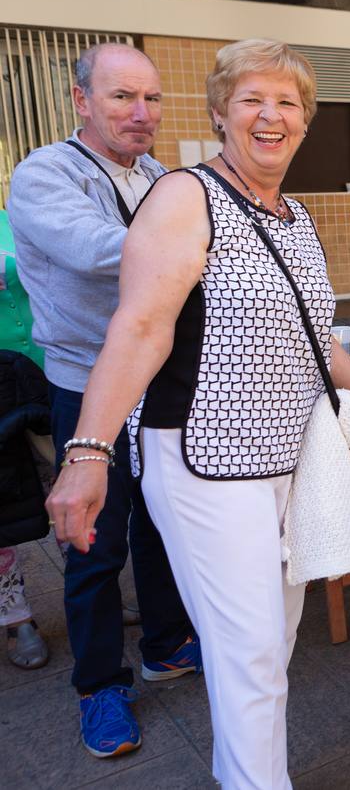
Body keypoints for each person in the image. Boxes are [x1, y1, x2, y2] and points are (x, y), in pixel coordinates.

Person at [44, 39, 350, 788]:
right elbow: (138, 326)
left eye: (287, 102)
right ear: (220, 114)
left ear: (306, 121)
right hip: (203, 460)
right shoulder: (184, 196)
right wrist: (86, 453)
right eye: (252, 100)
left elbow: (313, 337)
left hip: (287, 458)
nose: (271, 115)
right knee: (253, 654)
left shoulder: (294, 215)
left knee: (272, 645)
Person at [7, 43, 198, 758]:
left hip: (161, 380)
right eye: (122, 97)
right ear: (82, 100)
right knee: (91, 543)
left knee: (160, 525)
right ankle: (99, 686)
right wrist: (206, 240)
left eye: (151, 98)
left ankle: (165, 643)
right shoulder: (44, 174)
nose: (140, 113)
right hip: (87, 386)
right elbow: (95, 249)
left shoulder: (156, 173)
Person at [0, 209, 49, 670]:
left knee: (76, 487)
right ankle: (17, 619)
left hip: (42, 370)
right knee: (3, 506)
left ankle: (96, 593)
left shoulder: (15, 220)